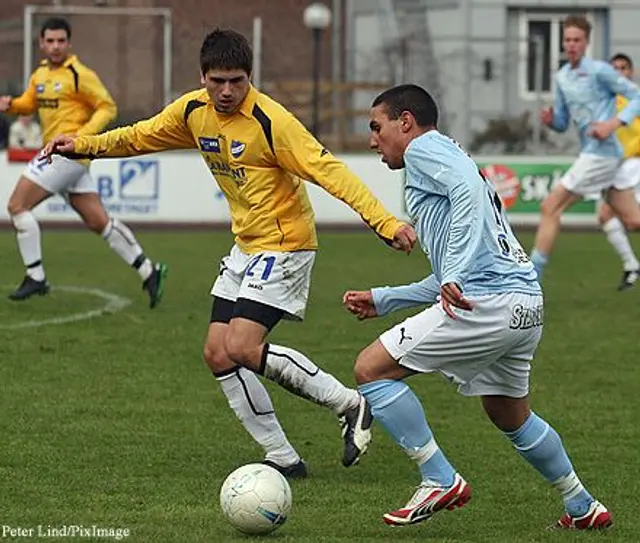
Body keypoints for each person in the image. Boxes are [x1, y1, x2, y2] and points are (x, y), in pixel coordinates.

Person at [42, 28, 416, 477]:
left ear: (249, 77)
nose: (226, 91)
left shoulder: (271, 121)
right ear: (202, 76)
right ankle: (282, 456)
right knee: (218, 353)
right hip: (246, 246)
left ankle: (350, 404)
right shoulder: (192, 111)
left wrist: (384, 220)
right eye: (217, 80)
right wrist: (82, 144)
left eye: (236, 81)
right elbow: (139, 137)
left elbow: (330, 172)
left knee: (241, 345)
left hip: (286, 244)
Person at [342, 83, 611, 529]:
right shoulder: (446, 156)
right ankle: (582, 505)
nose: (373, 140)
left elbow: (464, 220)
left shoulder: (423, 149)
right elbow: (452, 273)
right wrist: (388, 299)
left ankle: (438, 477)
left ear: (405, 122)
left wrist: (454, 275)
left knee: (370, 369)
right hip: (524, 304)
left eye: (377, 127)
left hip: (490, 304)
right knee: (507, 411)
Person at [0, 17, 167, 306]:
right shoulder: (40, 75)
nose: (55, 46)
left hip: (66, 153)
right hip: (64, 155)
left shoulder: (80, 74)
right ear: (41, 43)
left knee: (17, 206)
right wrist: (13, 105)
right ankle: (148, 270)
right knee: (98, 221)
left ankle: (36, 276)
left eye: (60, 41)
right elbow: (30, 103)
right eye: (50, 41)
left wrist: (81, 137)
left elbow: (107, 106)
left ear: (69, 43)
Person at [531, 14, 640, 280]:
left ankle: (530, 279)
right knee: (633, 221)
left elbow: (636, 96)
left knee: (550, 206)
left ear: (586, 42)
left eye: (577, 39)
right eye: (567, 39)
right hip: (601, 155)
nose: (571, 44)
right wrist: (551, 121)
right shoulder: (562, 77)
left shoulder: (600, 71)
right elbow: (563, 121)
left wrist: (612, 124)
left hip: (600, 154)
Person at [596, 53, 640, 290]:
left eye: (623, 67)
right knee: (607, 216)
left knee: (630, 221)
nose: (619, 72)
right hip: (617, 167)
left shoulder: (634, 97)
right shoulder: (607, 100)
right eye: (614, 68)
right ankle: (631, 265)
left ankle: (632, 266)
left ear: (630, 72)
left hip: (635, 165)